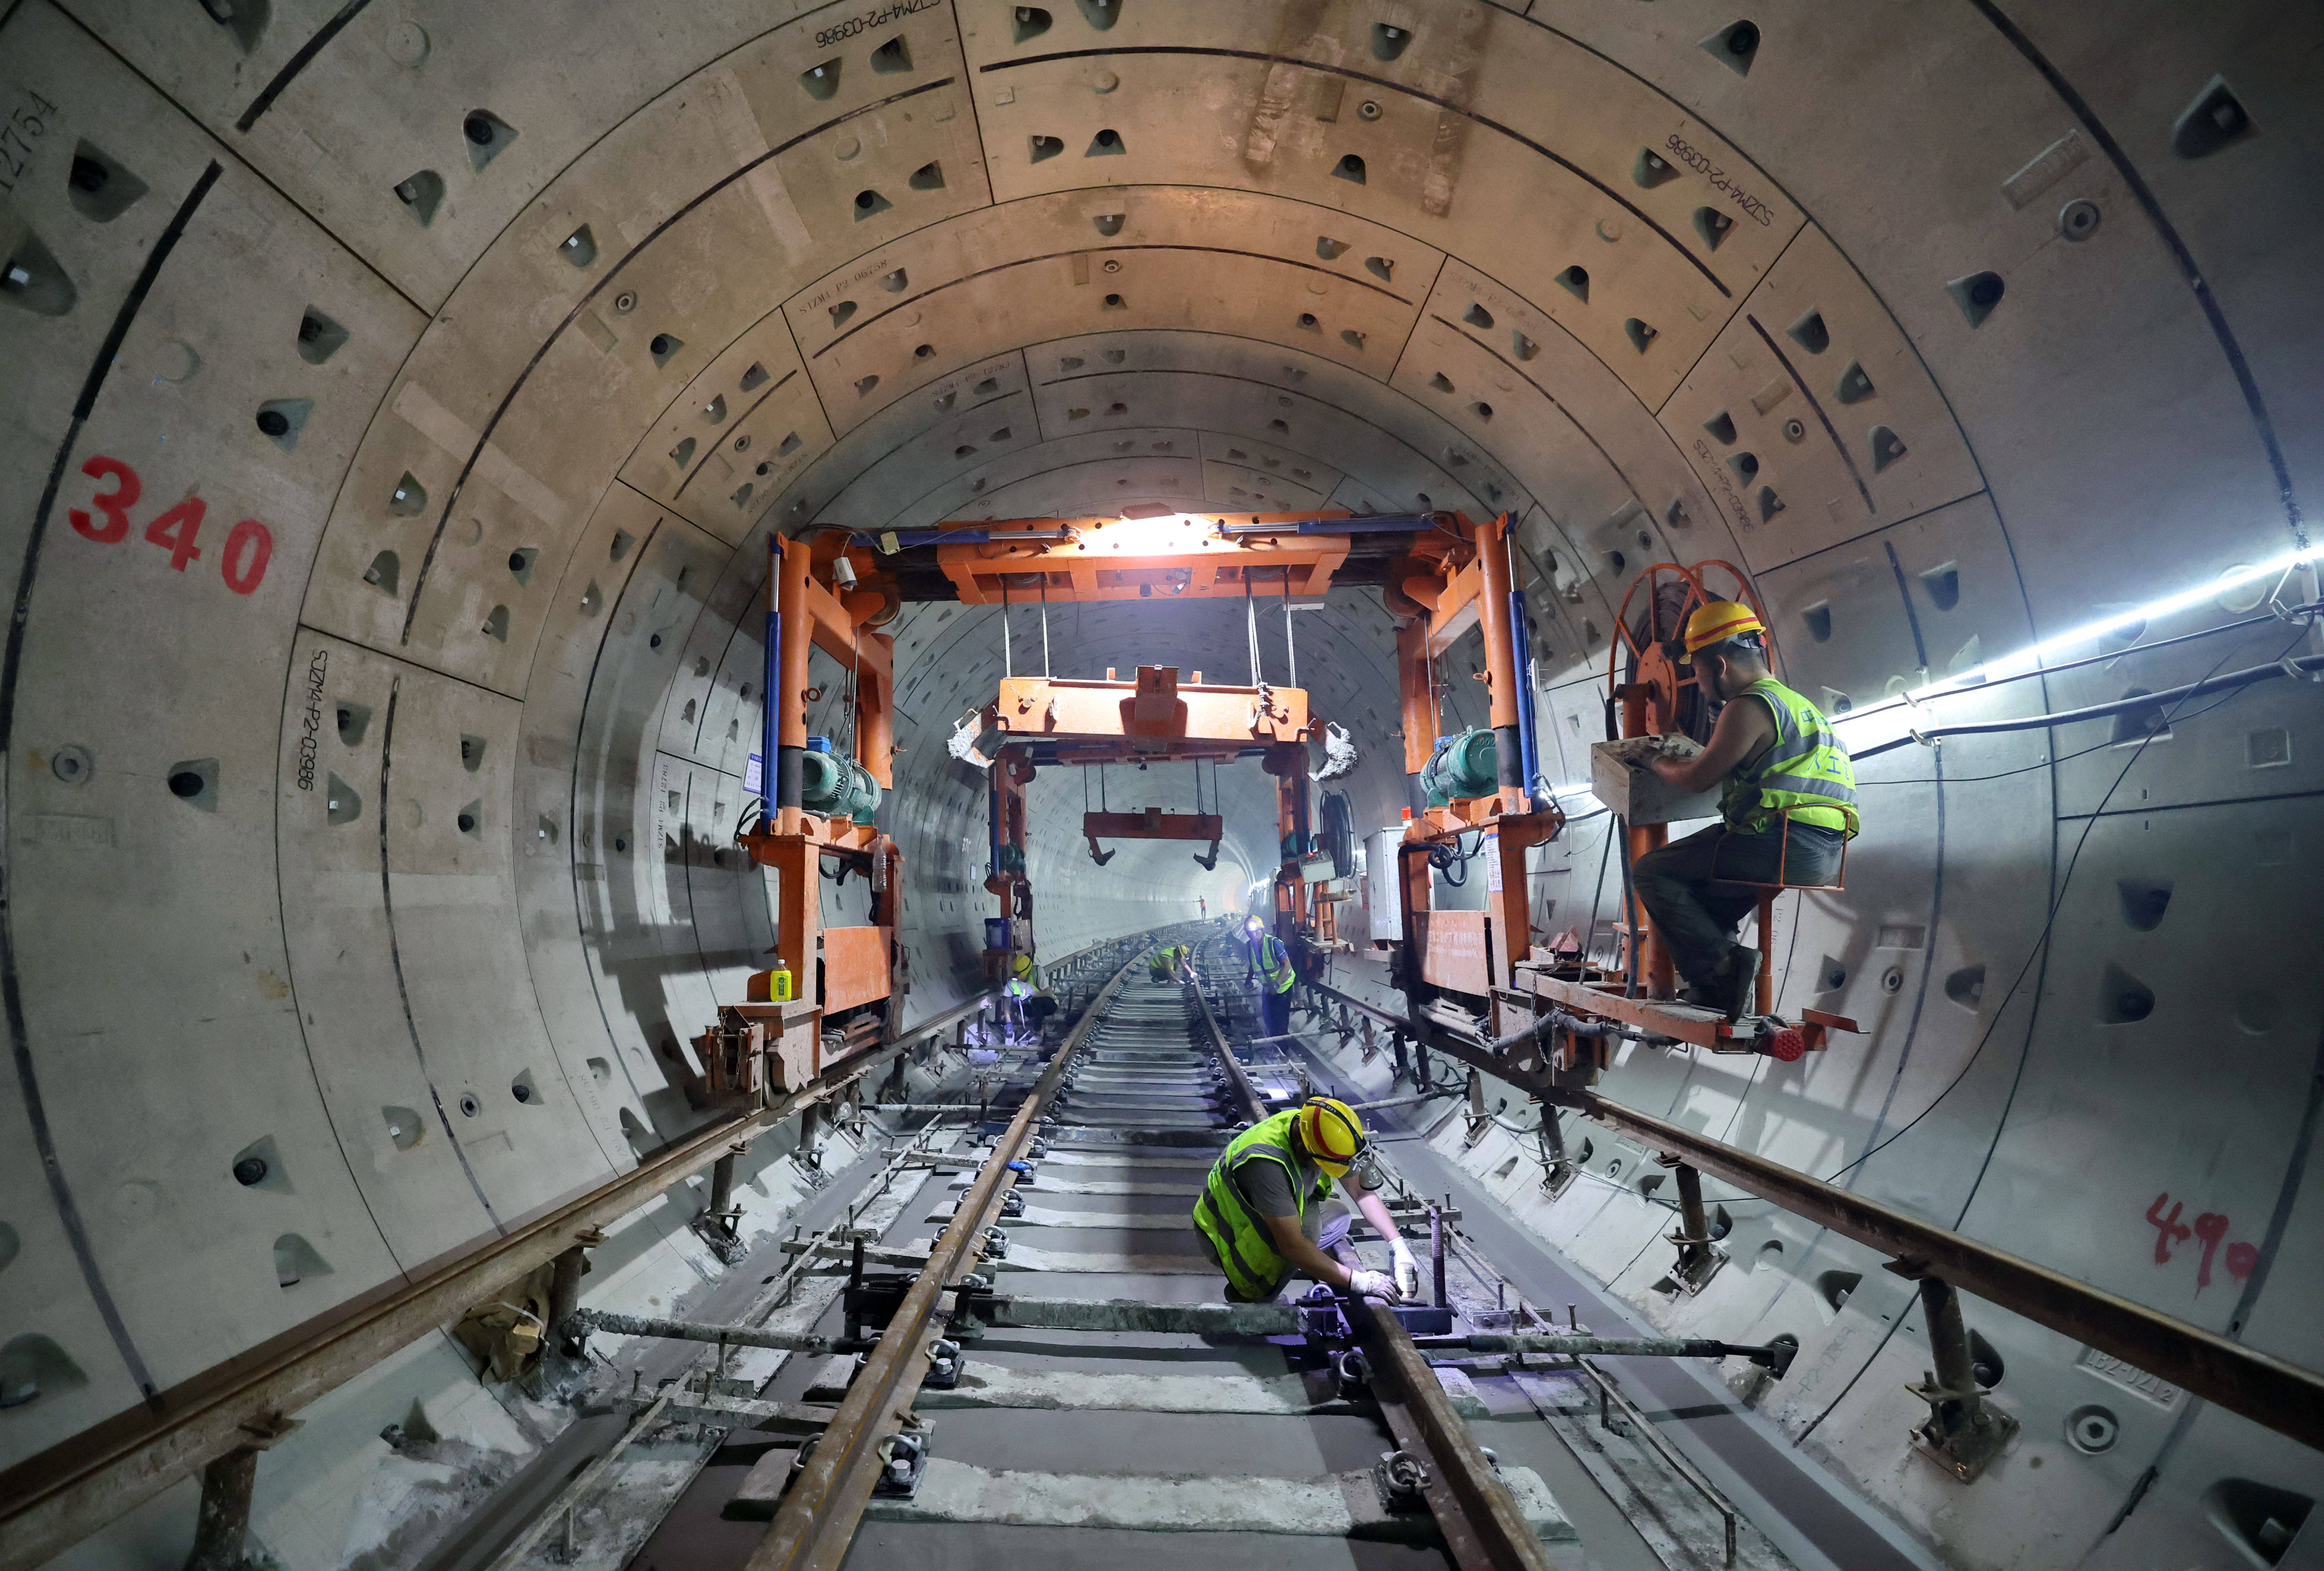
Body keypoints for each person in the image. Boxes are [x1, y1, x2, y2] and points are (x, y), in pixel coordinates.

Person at [1635, 601, 1859, 1020]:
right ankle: (1719, 987)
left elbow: (1698, 778)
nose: (1695, 683)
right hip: (1827, 853)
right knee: (1701, 901)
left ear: (1718, 665)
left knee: (1652, 871)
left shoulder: (1748, 707)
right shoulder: (1799, 706)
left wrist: (1653, 759)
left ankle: (1726, 968)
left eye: (1696, 670)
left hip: (1777, 840)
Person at [1192, 1097, 1421, 1303]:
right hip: (1223, 1233)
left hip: (1255, 1215)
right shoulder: (1265, 1164)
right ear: (1304, 1151)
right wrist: (1357, 1281)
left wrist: (1398, 1246)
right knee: (1302, 1239)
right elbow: (1292, 1246)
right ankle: (1252, 1299)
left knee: (1340, 1216)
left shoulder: (1314, 1128)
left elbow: (1361, 1193)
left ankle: (1304, 1259)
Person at [1241, 915, 1296, 1039]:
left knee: (1280, 1019)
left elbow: (1287, 964)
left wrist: (1277, 984)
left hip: (1283, 986)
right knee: (1267, 1016)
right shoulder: (1250, 946)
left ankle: (1283, 1047)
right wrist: (1249, 979)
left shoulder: (1273, 943)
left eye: (1256, 931)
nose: (1254, 935)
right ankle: (1274, 1043)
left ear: (1262, 930)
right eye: (1250, 933)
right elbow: (1253, 965)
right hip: (1268, 987)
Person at [1001, 949, 1055, 1040]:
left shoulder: (1037, 972)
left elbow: (1048, 992)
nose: (1020, 979)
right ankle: (1033, 1021)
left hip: (1048, 1005)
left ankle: (1038, 1032)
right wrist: (1008, 1021)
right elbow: (1006, 1001)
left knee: (1036, 1001)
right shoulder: (1013, 981)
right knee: (1015, 1000)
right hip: (1033, 1009)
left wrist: (1032, 996)